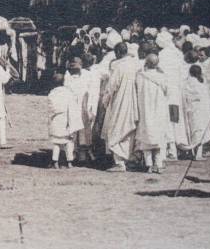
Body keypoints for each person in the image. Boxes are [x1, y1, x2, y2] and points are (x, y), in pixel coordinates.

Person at [101, 42, 139, 172]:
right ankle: (129, 159)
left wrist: (105, 101)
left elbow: (111, 87)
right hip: (133, 102)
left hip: (120, 102)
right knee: (129, 130)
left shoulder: (119, 67)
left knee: (116, 129)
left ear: (117, 53)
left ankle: (119, 163)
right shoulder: (135, 65)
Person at [155, 31, 188, 159]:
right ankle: (176, 148)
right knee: (176, 119)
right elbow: (183, 74)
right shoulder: (178, 54)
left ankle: (171, 149)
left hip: (166, 92)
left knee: (167, 120)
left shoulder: (162, 55)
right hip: (177, 92)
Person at [135, 54, 170, 173]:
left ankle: (149, 164)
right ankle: (159, 164)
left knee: (146, 135)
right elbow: (167, 91)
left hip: (145, 109)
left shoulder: (140, 76)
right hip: (159, 110)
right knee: (159, 136)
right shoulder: (162, 77)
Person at [48, 72, 83, 168]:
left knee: (56, 142)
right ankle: (69, 162)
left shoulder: (52, 94)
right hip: (67, 120)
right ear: (63, 82)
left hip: (56, 120)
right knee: (68, 142)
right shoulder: (69, 93)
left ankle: (55, 162)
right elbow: (73, 107)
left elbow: (51, 109)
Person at [64, 57, 94, 162]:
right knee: (72, 132)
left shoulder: (87, 75)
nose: (74, 70)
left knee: (84, 132)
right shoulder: (67, 77)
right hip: (72, 108)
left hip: (83, 107)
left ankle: (83, 155)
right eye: (72, 67)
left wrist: (90, 108)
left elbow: (90, 92)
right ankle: (72, 155)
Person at [182, 64, 210, 160]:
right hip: (202, 110)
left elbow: (186, 95)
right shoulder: (202, 83)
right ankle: (197, 154)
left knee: (195, 130)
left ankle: (194, 152)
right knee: (200, 131)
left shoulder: (188, 82)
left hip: (193, 109)